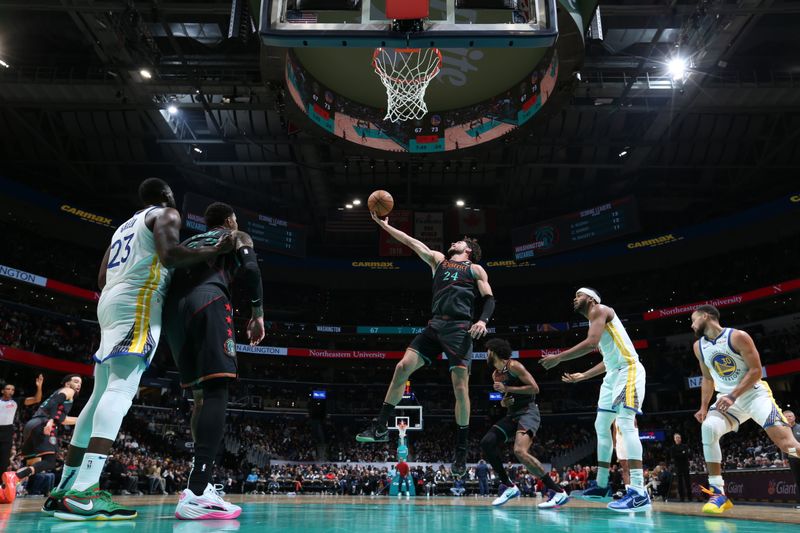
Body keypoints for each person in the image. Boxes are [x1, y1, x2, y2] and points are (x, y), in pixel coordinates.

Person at [53, 178, 232, 521]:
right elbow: (171, 255)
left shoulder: (123, 227)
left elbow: (102, 277)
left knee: (97, 394)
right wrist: (214, 250)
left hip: (110, 302)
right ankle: (84, 491)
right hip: (138, 303)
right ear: (165, 196)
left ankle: (65, 488)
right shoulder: (166, 213)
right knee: (120, 390)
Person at [357, 212, 495, 479]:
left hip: (459, 329)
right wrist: (384, 226)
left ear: (467, 249)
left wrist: (483, 321)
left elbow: (489, 298)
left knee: (460, 386)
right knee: (402, 366)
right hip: (435, 326)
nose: (452, 242)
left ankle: (461, 450)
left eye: (458, 242)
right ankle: (381, 426)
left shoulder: (475, 269)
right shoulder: (438, 261)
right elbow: (411, 242)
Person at [165, 201, 265, 520]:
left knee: (199, 397)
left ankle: (199, 485)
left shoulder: (188, 242)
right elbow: (250, 269)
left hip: (172, 315)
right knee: (217, 390)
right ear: (230, 220)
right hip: (208, 300)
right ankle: (197, 490)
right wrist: (258, 314)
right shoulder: (235, 235)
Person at [541, 288, 650, 512]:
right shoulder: (597, 325)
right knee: (601, 425)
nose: (574, 299)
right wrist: (584, 375)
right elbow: (607, 360)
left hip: (628, 370)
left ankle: (639, 491)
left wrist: (558, 358)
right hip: (613, 375)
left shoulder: (601, 310)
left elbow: (591, 343)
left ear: (591, 299)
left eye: (578, 295)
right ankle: (601, 485)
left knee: (625, 423)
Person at [690, 304, 800, 514]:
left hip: (754, 395)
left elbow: (757, 370)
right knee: (708, 428)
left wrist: (733, 395)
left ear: (706, 316)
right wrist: (704, 406)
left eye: (694, 319)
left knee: (788, 445)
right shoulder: (698, 346)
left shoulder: (738, 336)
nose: (692, 324)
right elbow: (707, 377)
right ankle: (718, 493)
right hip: (728, 400)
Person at [481, 338, 568, 508]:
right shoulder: (495, 375)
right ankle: (508, 486)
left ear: (495, 352)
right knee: (487, 442)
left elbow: (534, 388)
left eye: (488, 351)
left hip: (528, 411)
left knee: (519, 451)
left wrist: (507, 389)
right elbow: (505, 400)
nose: (486, 354)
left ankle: (558, 491)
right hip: (512, 414)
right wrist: (503, 402)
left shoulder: (515, 366)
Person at [3, 375, 82, 504]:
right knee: (50, 462)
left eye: (80, 383)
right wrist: (50, 421)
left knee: (33, 464)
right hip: (43, 424)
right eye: (75, 381)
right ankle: (15, 476)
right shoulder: (68, 391)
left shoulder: (60, 398)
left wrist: (82, 420)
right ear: (67, 384)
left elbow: (62, 419)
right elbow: (55, 402)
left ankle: (3, 488)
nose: (78, 385)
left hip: (32, 425)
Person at [0, 375, 43, 482]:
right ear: (2, 391)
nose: (11, 391)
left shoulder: (16, 401)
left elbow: (36, 399)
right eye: (8, 389)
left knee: (4, 461)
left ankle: (1, 486)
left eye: (13, 389)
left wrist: (39, 386)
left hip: (7, 431)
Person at [782, 410, 800, 510]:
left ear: (794, 417)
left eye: (790, 416)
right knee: (798, 481)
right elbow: (783, 445)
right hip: (793, 459)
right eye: (786, 416)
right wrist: (785, 458)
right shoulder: (783, 430)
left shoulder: (799, 428)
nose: (789, 418)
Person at [669, 432, 691, 502]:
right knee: (680, 483)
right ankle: (682, 498)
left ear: (681, 438)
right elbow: (673, 456)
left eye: (679, 437)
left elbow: (687, 454)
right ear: (674, 439)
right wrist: (682, 453)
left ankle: (690, 497)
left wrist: (680, 454)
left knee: (687, 482)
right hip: (678, 467)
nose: (678, 439)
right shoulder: (672, 447)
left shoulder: (685, 446)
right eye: (676, 438)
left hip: (685, 466)